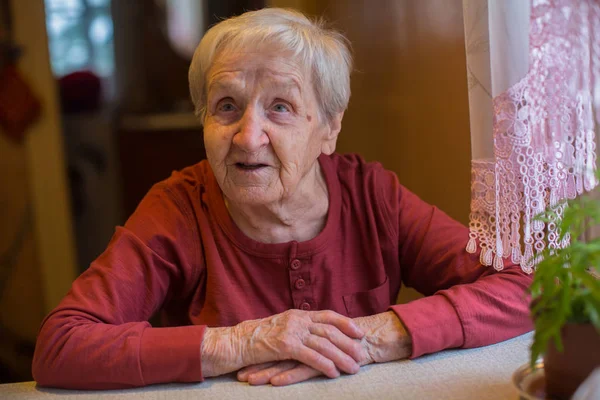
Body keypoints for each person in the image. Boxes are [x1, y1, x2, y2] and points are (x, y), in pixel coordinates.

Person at [32, 8, 533, 389]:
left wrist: (373, 337)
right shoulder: (180, 207)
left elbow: (525, 285)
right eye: (226, 106)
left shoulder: (373, 196)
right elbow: (62, 346)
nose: (249, 137)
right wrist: (241, 342)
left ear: (330, 128)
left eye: (281, 107)